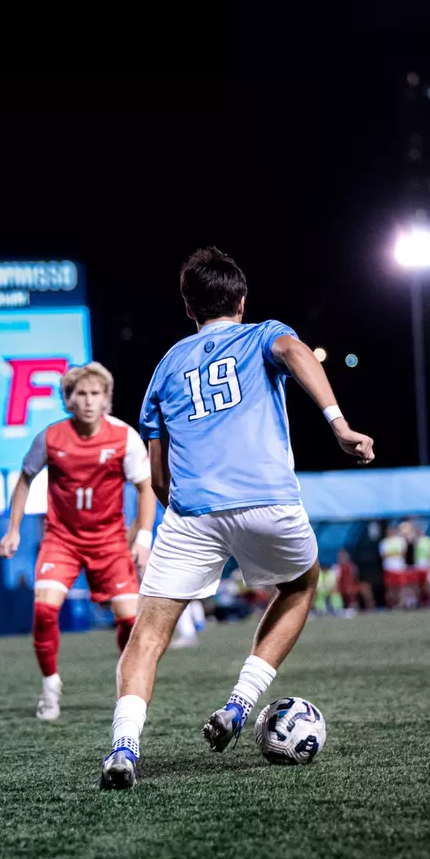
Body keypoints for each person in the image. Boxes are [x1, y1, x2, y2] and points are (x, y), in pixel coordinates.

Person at [99, 246, 374, 788]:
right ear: (241, 302)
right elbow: (296, 352)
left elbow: (158, 477)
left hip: (192, 511)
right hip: (266, 499)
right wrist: (339, 425)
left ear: (188, 308)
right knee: (299, 587)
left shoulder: (166, 367)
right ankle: (240, 705)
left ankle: (125, 749)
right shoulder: (261, 334)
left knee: (148, 637)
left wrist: (181, 515)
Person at [0, 362, 156, 721]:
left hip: (110, 542)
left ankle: (126, 688)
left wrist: (142, 536)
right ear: (68, 400)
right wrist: (13, 529)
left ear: (106, 400)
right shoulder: (50, 437)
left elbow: (145, 486)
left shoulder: (124, 437)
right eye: (80, 394)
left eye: (95, 394)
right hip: (62, 540)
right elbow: (25, 479)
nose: (88, 401)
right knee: (43, 609)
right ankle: (50, 684)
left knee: (131, 621)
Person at [379, 524, 407, 609]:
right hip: (389, 568)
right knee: (390, 588)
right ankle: (392, 604)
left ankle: (400, 604)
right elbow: (383, 555)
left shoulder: (400, 541)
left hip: (399, 568)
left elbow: (403, 553)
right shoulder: (384, 542)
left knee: (400, 587)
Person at [412, 524, 430, 607]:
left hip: (426, 566)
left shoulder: (427, 540)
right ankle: (419, 601)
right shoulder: (414, 540)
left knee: (426, 585)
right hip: (417, 566)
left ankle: (428, 601)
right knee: (417, 585)